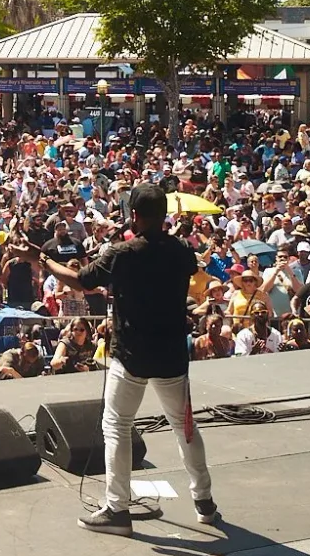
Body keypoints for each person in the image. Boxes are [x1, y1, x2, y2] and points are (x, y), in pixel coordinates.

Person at [31, 182, 217, 536]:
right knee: (185, 428)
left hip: (132, 355)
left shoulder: (123, 253)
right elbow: (186, 264)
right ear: (164, 214)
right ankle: (204, 501)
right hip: (172, 354)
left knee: (116, 425)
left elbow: (81, 281)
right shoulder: (180, 251)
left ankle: (117, 509)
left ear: (134, 215)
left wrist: (45, 262)